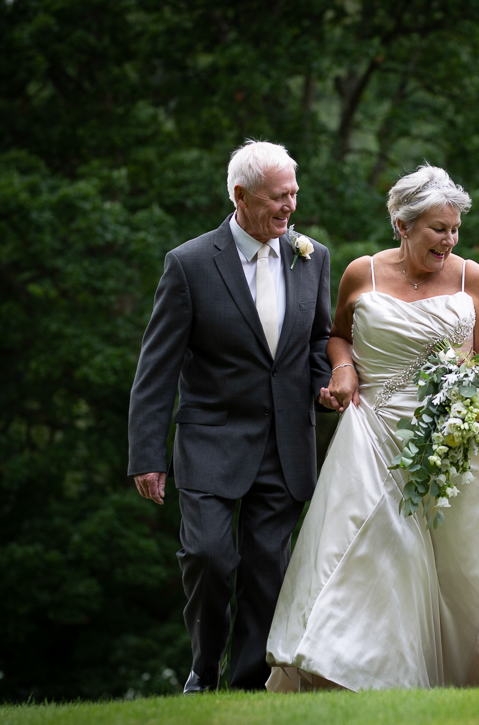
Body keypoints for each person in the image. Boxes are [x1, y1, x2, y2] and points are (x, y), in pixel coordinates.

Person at [265, 165, 479, 692]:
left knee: (468, 564)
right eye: (438, 228)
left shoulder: (470, 276)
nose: (449, 239)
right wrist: (343, 369)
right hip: (373, 434)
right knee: (372, 552)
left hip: (454, 438)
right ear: (403, 224)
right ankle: (357, 669)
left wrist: (474, 403)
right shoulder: (361, 273)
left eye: (455, 228)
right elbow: (337, 336)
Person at [127, 140, 332, 693]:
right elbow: (156, 368)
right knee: (209, 557)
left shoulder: (312, 257)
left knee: (267, 572)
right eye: (277, 196)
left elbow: (319, 340)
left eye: (294, 193)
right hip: (211, 441)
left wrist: (326, 383)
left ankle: (246, 687)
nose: (290, 206)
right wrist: (146, 455)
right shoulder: (189, 264)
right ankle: (203, 667)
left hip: (286, 442)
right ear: (241, 196)